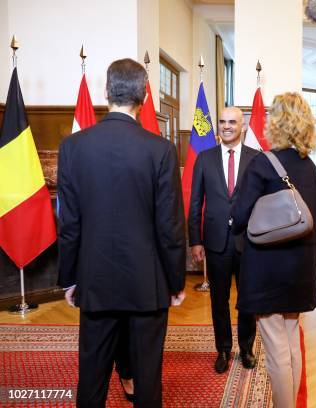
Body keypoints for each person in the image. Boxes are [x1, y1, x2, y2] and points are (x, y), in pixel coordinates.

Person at [57, 58, 186, 408]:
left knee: (92, 375)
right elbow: (170, 226)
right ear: (144, 94)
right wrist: (176, 281)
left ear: (106, 92)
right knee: (148, 377)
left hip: (95, 279)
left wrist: (69, 278)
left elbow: (69, 223)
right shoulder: (160, 149)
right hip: (148, 282)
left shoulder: (73, 147)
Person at [230, 92, 316, 408]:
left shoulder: (261, 164)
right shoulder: (309, 166)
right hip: (301, 268)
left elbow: (240, 218)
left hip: (268, 270)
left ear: (279, 122)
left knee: (276, 351)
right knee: (292, 342)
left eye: (271, 115)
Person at [188, 106, 258, 374]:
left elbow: (262, 202)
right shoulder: (204, 158)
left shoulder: (256, 158)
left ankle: (247, 348)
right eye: (222, 121)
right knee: (218, 300)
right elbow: (195, 202)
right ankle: (224, 350)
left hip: (248, 240)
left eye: (232, 122)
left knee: (247, 299)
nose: (226, 126)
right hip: (215, 241)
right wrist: (195, 240)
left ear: (243, 126)